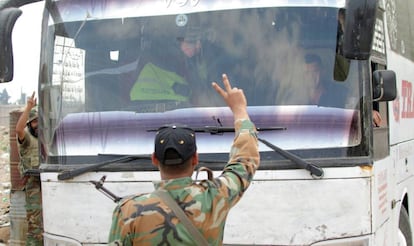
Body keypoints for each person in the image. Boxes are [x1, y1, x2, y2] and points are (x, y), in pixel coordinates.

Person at [108, 74, 260, 245]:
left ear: (154, 159)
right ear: (195, 158)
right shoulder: (216, 196)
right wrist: (239, 109)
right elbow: (244, 160)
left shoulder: (128, 211)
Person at [15, 92, 43, 245]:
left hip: (47, 182)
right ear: (29, 125)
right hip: (33, 185)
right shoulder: (26, 138)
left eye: (39, 121)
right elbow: (18, 129)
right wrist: (29, 108)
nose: (37, 124)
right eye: (33, 122)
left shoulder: (44, 138)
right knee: (35, 225)